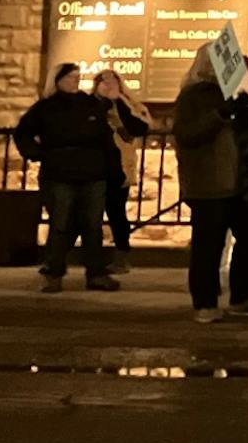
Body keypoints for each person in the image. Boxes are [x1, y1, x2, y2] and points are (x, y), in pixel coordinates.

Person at [174, 44, 248, 323]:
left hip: (247, 179)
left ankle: (244, 297)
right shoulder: (194, 97)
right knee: (208, 245)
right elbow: (188, 135)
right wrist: (221, 114)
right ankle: (205, 302)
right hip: (212, 182)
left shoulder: (246, 94)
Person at [13, 62, 119, 293]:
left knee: (92, 225)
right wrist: (38, 154)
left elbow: (105, 139)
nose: (75, 81)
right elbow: (23, 133)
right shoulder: (46, 108)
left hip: (91, 172)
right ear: (58, 80)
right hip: (60, 173)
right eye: (71, 77)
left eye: (77, 77)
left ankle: (95, 273)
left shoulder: (90, 105)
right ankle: (53, 271)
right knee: (61, 223)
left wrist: (111, 169)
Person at [92, 69, 149, 277]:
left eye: (112, 82)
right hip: (94, 166)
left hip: (120, 166)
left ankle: (121, 257)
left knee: (117, 213)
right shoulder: (89, 105)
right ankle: (93, 260)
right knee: (90, 215)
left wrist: (119, 102)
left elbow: (139, 127)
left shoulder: (129, 105)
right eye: (103, 82)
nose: (107, 86)